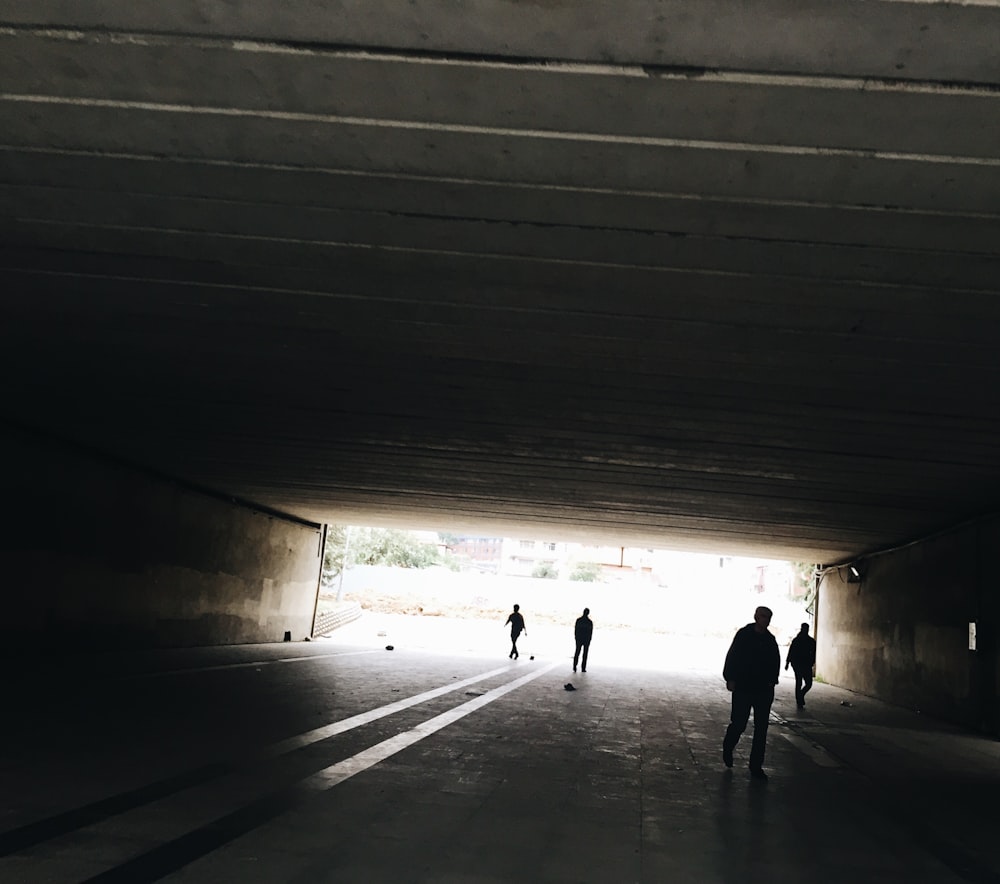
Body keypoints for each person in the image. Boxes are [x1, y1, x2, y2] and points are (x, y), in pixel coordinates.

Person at [722, 605, 780, 780]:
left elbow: (775, 662)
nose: (765, 620)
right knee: (739, 723)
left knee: (761, 729)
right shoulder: (744, 635)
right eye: (763, 616)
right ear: (756, 617)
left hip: (763, 690)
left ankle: (756, 766)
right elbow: (732, 656)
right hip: (743, 688)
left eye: (768, 618)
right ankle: (728, 746)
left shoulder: (770, 640)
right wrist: (730, 678)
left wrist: (771, 682)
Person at [786, 622, 817, 708]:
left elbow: (813, 653)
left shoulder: (811, 641)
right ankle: (799, 699)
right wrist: (787, 662)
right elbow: (791, 651)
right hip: (797, 664)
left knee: (808, 683)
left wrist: (812, 662)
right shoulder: (797, 640)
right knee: (799, 682)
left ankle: (800, 695)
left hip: (806, 664)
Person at [573, 607, 593, 672]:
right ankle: (583, 668)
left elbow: (576, 630)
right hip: (586, 640)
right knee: (585, 654)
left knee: (577, 652)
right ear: (588, 613)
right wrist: (589, 640)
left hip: (579, 639)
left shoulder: (579, 620)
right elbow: (590, 633)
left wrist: (576, 638)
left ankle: (574, 666)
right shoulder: (589, 622)